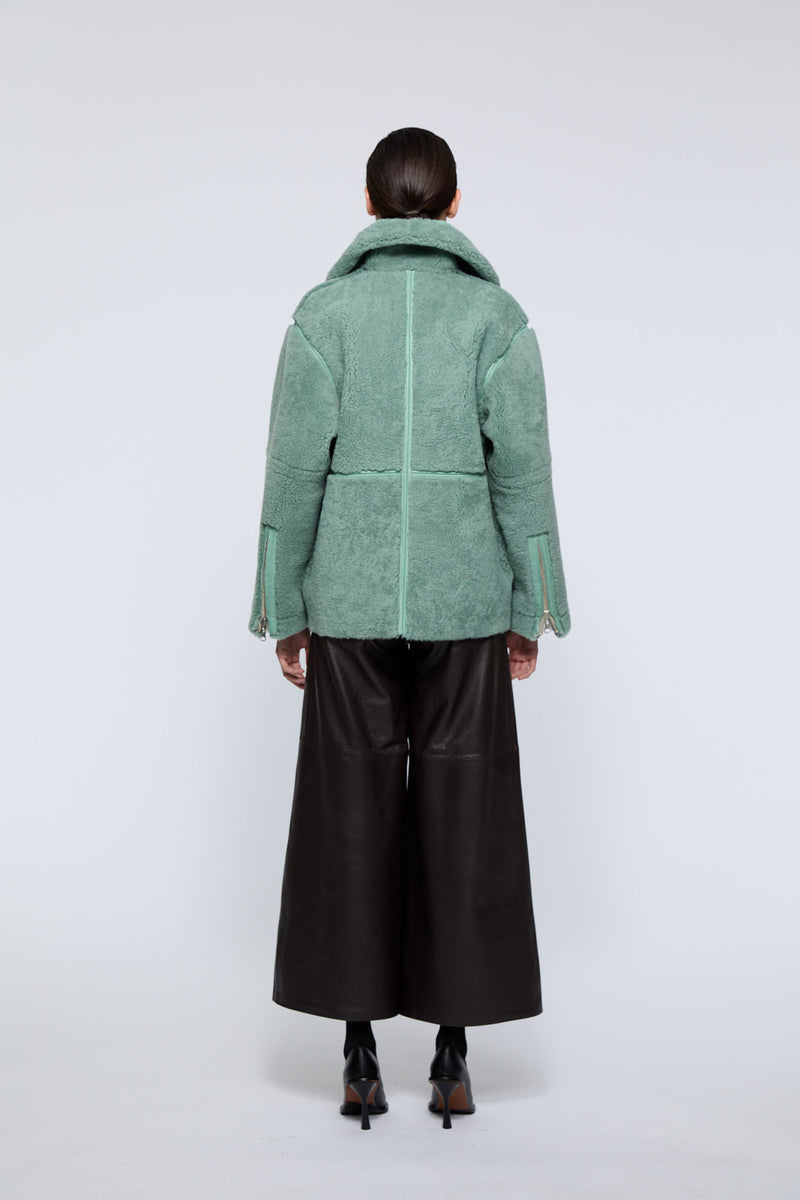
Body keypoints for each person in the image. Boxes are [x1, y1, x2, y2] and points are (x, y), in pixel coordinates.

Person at [247, 126, 572, 1130]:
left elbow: (292, 471)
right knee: (466, 818)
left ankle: (356, 1057)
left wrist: (283, 608)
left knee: (348, 817)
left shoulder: (322, 315)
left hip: (346, 604)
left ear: (368, 202)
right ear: (454, 205)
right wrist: (531, 608)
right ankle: (451, 1057)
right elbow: (523, 475)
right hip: (463, 603)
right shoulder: (495, 317)